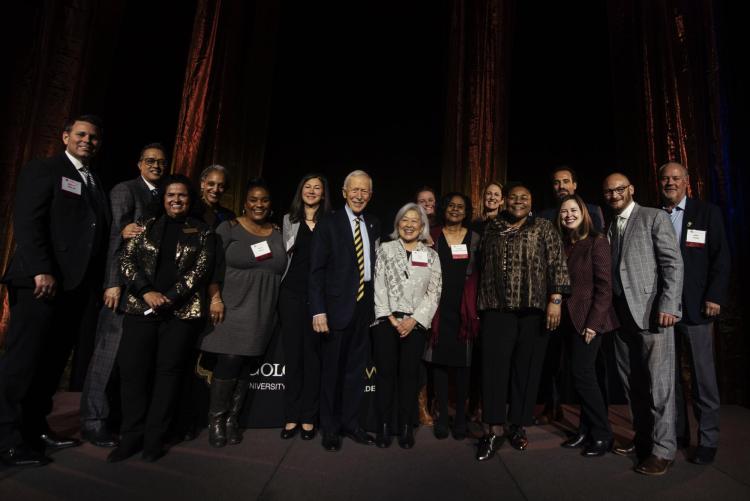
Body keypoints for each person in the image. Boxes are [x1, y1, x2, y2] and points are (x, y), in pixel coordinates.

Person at [0, 115, 110, 468]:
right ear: (65, 136)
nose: (87, 141)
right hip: (39, 283)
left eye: (93, 137)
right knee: (22, 363)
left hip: (72, 289)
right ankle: (6, 439)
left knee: (49, 365)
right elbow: (28, 221)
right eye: (81, 134)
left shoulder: (93, 182)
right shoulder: (44, 169)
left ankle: (34, 429)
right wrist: (40, 269)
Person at [107, 174, 215, 462]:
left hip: (179, 313)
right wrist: (147, 292)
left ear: (189, 200)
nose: (176, 200)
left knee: (167, 377)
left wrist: (169, 296)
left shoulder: (203, 232)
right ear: (163, 198)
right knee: (134, 375)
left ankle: (155, 440)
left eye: (182, 195)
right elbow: (126, 261)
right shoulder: (143, 227)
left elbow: (200, 272)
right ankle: (131, 437)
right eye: (170, 195)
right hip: (141, 310)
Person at [79, 143, 167, 448]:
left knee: (131, 360)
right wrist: (112, 283)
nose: (156, 166)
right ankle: (93, 422)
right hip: (122, 288)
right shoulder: (125, 191)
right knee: (107, 354)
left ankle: (115, 417)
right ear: (139, 163)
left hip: (148, 290)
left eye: (161, 162)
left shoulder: (163, 193)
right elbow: (115, 237)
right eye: (151, 161)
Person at [475, 183, 570, 461]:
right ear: (505, 202)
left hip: (533, 310)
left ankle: (518, 426)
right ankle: (493, 429)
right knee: (494, 370)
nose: (518, 201)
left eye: (524, 197)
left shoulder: (544, 227)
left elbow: (557, 263)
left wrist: (555, 299)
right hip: (496, 309)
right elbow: (480, 266)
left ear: (531, 202)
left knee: (526, 370)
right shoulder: (491, 228)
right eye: (513, 197)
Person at [603, 172, 683, 476]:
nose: (614, 195)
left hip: (652, 314)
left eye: (619, 189)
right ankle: (644, 438)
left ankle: (663, 450)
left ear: (631, 189)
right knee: (631, 383)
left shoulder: (653, 217)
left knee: (659, 385)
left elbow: (672, 263)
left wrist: (669, 305)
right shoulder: (608, 225)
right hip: (620, 317)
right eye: (608, 192)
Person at [199, 178, 286, 448]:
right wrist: (215, 299)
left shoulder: (277, 231)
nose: (259, 204)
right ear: (245, 203)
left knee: (246, 363)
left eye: (264, 200)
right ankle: (216, 420)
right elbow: (211, 266)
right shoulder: (229, 228)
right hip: (231, 308)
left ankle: (232, 420)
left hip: (262, 311)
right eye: (253, 200)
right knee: (229, 361)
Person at [658, 162, 730, 465]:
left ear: (687, 181)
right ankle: (678, 435)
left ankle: (708, 439)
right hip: (663, 311)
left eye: (676, 178)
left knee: (703, 377)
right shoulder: (655, 215)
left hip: (698, 307)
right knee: (668, 378)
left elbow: (721, 257)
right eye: (665, 178)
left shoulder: (706, 212)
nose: (670, 182)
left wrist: (714, 296)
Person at [309, 170, 381, 452]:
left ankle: (351, 424)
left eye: (365, 191)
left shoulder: (373, 223)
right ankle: (330, 428)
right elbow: (315, 272)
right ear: (344, 192)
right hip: (335, 309)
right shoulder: (328, 224)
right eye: (355, 190)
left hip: (364, 308)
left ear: (370, 195)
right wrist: (318, 310)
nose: (359, 195)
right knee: (332, 372)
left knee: (355, 371)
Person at [536, 166, 607, 425]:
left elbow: (599, 275)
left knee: (585, 370)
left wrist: (594, 319)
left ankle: (596, 426)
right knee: (552, 360)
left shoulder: (592, 215)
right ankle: (553, 408)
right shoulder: (544, 216)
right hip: (555, 303)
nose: (561, 186)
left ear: (575, 185)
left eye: (566, 181)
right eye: (556, 182)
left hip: (585, 306)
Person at [372, 203, 442, 449]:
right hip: (386, 322)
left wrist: (413, 320)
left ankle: (405, 426)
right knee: (386, 375)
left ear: (422, 226)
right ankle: (383, 426)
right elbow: (378, 286)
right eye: (405, 220)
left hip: (416, 325)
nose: (409, 224)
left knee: (409, 376)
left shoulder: (431, 255)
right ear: (397, 223)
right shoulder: (385, 249)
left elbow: (434, 293)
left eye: (415, 221)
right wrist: (391, 319)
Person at [555, 194, 619, 457]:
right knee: (579, 377)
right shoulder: (565, 244)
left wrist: (593, 324)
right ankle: (585, 430)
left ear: (583, 213)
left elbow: (605, 289)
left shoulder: (597, 241)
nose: (568, 214)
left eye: (573, 210)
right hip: (569, 320)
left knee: (584, 376)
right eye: (563, 211)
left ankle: (603, 434)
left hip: (591, 321)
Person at [424, 192, 480, 441]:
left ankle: (459, 419)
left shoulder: (475, 238)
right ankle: (442, 418)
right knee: (439, 362)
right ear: (443, 209)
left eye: (460, 207)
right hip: (437, 307)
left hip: (464, 308)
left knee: (463, 365)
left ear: (466, 212)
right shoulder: (432, 235)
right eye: (451, 206)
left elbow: (478, 272)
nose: (455, 210)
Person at [279, 174, 331, 440]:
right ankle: (291, 416)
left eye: (317, 188)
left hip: (318, 299)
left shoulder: (330, 222)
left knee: (313, 357)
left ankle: (309, 417)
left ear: (324, 194)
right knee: (293, 357)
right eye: (307, 187)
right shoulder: (289, 220)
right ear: (301, 192)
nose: (311, 191)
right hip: (290, 295)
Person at [414, 185, 439, 426]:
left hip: (441, 300)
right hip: (417, 301)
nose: (427, 203)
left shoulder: (443, 230)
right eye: (422, 200)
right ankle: (420, 406)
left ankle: (435, 403)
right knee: (420, 356)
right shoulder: (411, 228)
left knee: (435, 355)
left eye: (430, 200)